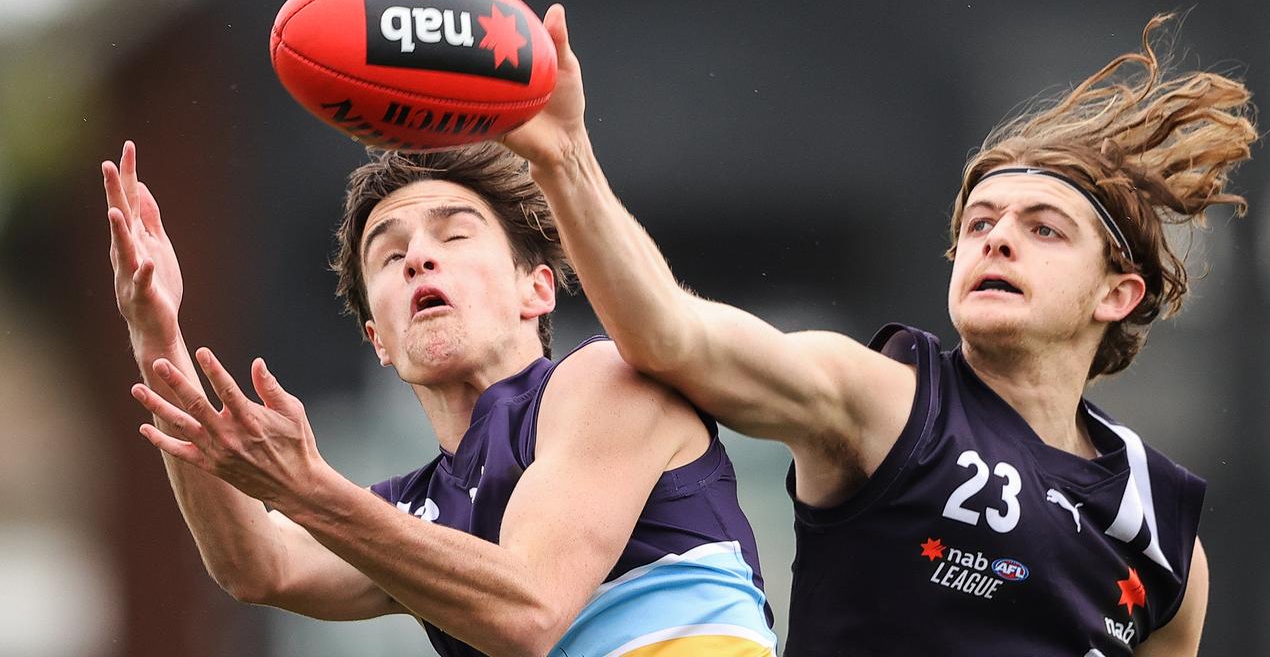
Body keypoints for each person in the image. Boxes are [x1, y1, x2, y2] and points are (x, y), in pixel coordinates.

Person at [500, 8, 1257, 656]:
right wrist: (565, 160)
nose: (995, 241)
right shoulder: (886, 404)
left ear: (1118, 294)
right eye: (979, 224)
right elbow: (670, 336)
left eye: (1045, 230)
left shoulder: (1163, 540)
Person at [103, 140, 776, 656]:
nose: (419, 257)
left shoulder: (607, 382)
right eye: (389, 256)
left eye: (454, 235)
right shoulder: (415, 513)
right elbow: (256, 565)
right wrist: (155, 333)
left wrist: (311, 491)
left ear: (535, 289)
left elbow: (529, 610)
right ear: (379, 340)